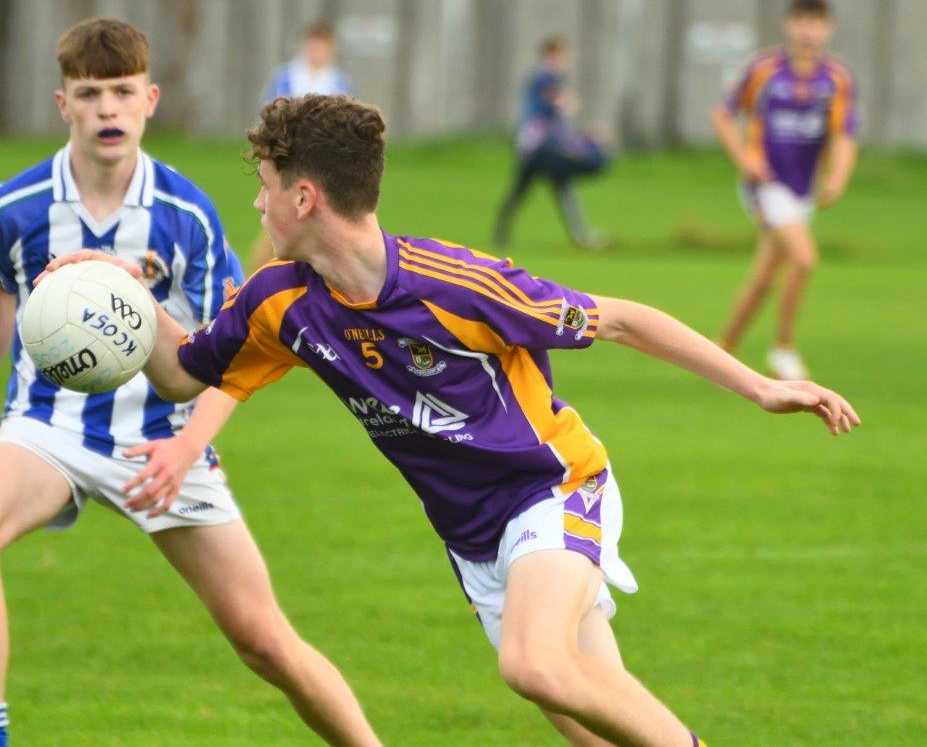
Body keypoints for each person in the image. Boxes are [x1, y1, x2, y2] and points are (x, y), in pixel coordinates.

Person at [43, 94, 860, 747]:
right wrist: (124, 300)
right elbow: (186, 373)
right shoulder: (278, 301)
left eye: (263, 183)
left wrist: (759, 386)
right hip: (474, 539)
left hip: (553, 486)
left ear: (304, 195)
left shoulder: (457, 284)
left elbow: (618, 319)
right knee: (589, 721)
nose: (254, 201)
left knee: (534, 665)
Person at [0, 19, 380, 747]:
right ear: (62, 104)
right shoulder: (14, 210)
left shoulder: (189, 218)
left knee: (265, 642)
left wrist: (186, 451)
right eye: (89, 94)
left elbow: (230, 360)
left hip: (167, 440)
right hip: (48, 429)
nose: (106, 109)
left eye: (120, 92)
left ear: (150, 99)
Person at [713, 0, 857, 380]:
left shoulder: (837, 78)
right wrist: (746, 160)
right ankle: (784, 348)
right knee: (805, 258)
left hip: (801, 190)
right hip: (766, 185)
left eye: (817, 23)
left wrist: (838, 176)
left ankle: (722, 353)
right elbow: (724, 116)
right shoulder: (764, 70)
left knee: (764, 277)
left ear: (828, 29)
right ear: (788, 25)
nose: (808, 31)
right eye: (802, 22)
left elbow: (844, 134)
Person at [251, 20, 354, 272]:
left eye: (323, 46)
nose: (317, 51)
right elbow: (268, 118)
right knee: (281, 219)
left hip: (325, 165)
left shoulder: (339, 82)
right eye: (313, 45)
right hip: (290, 162)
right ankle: (260, 278)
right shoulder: (285, 79)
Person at [492, 36, 610, 251]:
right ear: (549, 55)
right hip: (540, 148)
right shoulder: (546, 78)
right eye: (560, 55)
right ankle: (580, 237)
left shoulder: (546, 78)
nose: (564, 59)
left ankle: (502, 233)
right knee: (531, 189)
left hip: (538, 147)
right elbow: (561, 104)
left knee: (551, 188)